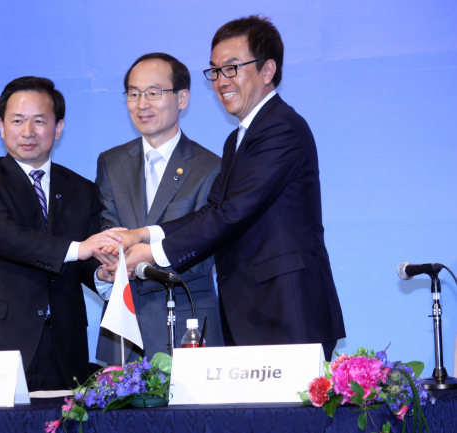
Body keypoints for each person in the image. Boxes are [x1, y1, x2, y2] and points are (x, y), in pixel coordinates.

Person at [111, 16, 345, 361]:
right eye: (215, 71)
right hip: (251, 309)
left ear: (267, 70)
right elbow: (213, 209)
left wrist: (155, 255)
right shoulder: (238, 139)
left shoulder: (281, 129)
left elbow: (233, 213)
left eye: (232, 68)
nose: (221, 81)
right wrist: (145, 234)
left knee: (290, 415)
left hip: (287, 307)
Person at [0, 76, 120, 391]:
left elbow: (85, 260)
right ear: (2, 126)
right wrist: (79, 249)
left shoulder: (83, 190)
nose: (27, 132)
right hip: (1, 340)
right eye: (17, 121)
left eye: (39, 121)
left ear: (58, 128)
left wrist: (102, 272)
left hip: (66, 347)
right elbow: (4, 236)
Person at [94, 53, 224, 364]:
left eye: (153, 93)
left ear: (183, 98)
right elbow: (108, 231)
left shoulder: (211, 167)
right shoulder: (110, 163)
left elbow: (205, 253)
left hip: (186, 323)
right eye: (133, 93)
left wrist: (139, 262)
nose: (141, 104)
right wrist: (105, 267)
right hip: (123, 328)